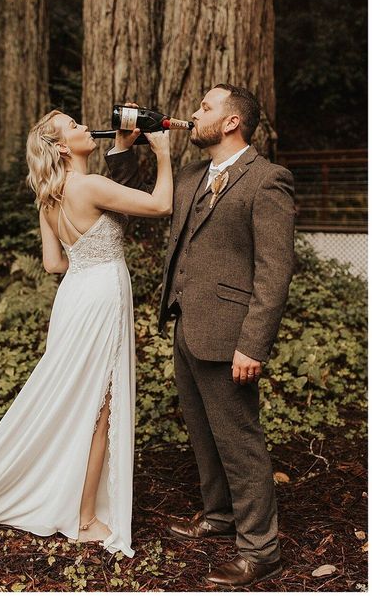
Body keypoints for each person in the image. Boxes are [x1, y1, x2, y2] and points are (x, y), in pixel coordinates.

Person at [0, 109, 173, 559]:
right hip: (101, 296)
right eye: (74, 125)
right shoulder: (88, 186)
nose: (86, 126)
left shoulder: (50, 197)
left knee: (80, 400)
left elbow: (54, 264)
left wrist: (89, 248)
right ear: (64, 147)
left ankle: (72, 498)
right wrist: (163, 154)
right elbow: (161, 205)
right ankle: (85, 519)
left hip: (74, 299)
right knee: (100, 408)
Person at [105, 85, 296, 585]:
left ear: (232, 121)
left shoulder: (267, 180)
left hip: (230, 333)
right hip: (187, 324)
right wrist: (126, 147)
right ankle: (219, 515)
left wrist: (253, 344)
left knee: (239, 439)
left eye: (206, 108)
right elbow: (131, 202)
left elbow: (275, 272)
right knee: (203, 431)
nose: (193, 114)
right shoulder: (191, 175)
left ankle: (260, 548)